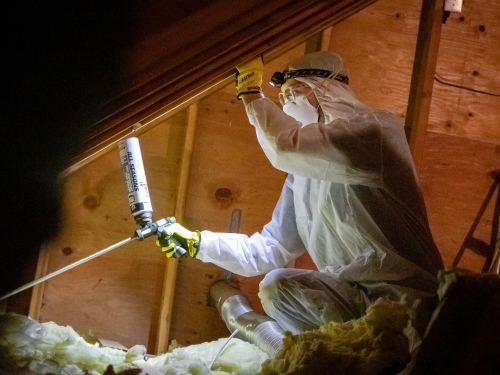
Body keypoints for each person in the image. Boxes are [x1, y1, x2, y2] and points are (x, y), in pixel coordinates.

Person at [158, 51, 444, 334]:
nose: (287, 104)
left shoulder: (377, 131)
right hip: (352, 303)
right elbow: (272, 248)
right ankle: (338, 359)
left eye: (295, 92)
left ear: (328, 88)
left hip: (407, 304)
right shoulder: (303, 176)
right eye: (282, 98)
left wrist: (250, 93)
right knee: (277, 287)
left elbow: (285, 146)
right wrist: (199, 244)